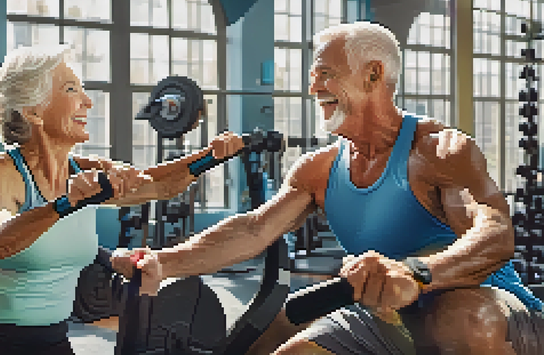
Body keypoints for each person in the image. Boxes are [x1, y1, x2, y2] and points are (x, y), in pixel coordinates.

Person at [112, 22, 544, 355]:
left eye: (326, 73)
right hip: (384, 315)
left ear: (374, 75)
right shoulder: (319, 167)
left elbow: (494, 234)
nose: (314, 86)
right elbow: (252, 230)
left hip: (484, 307)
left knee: (463, 321)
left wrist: (417, 274)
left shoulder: (438, 151)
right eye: (313, 74)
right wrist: (161, 262)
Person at [0, 44, 244, 355]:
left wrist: (210, 157)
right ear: (32, 111)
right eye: (71, 90)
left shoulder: (88, 170)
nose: (88, 102)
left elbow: (158, 185)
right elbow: (1, 241)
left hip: (48, 340)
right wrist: (66, 203)